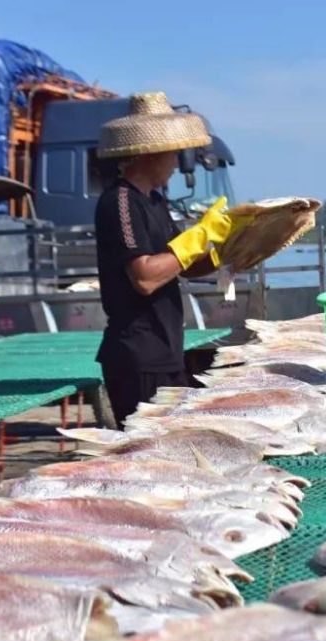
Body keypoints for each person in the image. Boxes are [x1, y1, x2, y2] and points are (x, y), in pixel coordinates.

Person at [94, 92, 254, 428]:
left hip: (167, 350)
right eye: (174, 154)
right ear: (152, 153)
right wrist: (198, 235)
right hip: (137, 356)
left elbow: (179, 266)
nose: (177, 164)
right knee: (148, 448)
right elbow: (145, 277)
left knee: (180, 436)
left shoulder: (154, 201)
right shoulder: (120, 202)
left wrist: (224, 253)